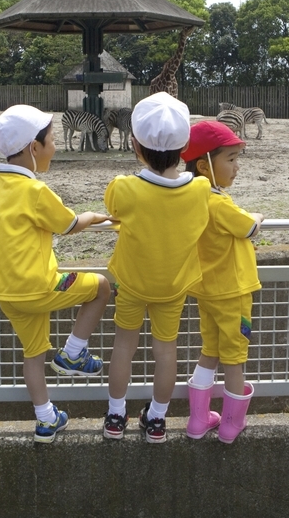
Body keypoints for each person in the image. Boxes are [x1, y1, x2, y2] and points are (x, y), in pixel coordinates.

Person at [0, 105, 112, 444]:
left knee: (34, 354)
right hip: (41, 286)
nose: (54, 147)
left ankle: (46, 420)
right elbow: (70, 224)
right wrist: (95, 216)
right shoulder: (35, 191)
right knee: (101, 287)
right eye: (52, 140)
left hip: (7, 292)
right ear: (34, 147)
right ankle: (73, 353)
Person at [103, 92, 211, 443]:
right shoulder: (200, 188)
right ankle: (157, 420)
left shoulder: (125, 188)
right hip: (173, 287)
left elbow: (113, 207)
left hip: (132, 283)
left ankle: (115, 415)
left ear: (135, 145)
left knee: (124, 346)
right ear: (185, 148)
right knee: (166, 351)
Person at [181, 121, 264, 443]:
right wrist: (257, 216)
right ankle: (231, 424)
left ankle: (198, 420)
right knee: (234, 357)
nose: (236, 167)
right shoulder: (218, 202)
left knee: (210, 351)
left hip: (206, 290)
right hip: (233, 292)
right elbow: (248, 227)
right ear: (204, 166)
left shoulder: (191, 199)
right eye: (230, 159)